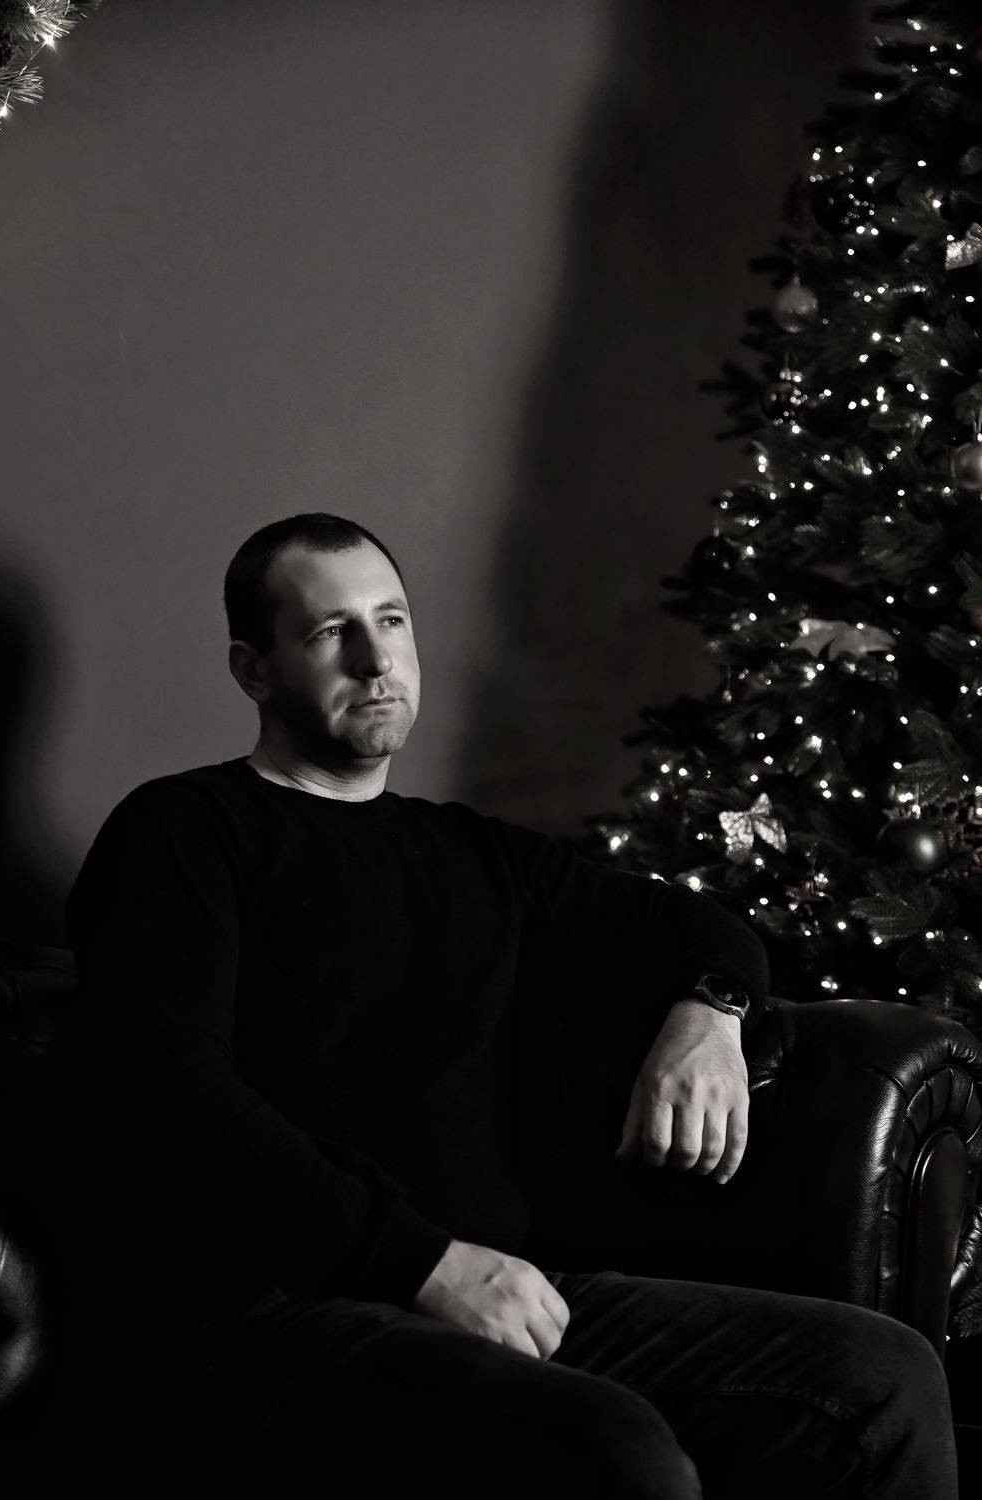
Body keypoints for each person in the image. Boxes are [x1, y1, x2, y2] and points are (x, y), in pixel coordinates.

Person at [49, 513, 957, 1499]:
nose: (374, 659)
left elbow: (697, 925)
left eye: (391, 621)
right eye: (330, 631)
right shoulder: (182, 832)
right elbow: (174, 1096)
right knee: (612, 1450)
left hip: (504, 1296)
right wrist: (425, 1265)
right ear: (253, 670)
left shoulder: (473, 855)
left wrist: (711, 1015)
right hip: (276, 1316)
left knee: (881, 1376)